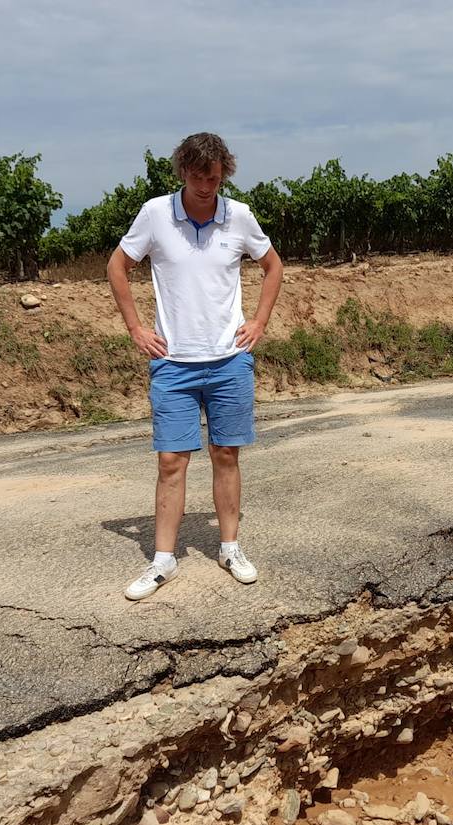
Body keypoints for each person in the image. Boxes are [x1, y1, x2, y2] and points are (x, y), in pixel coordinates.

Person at [107, 133, 284, 601]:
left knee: (226, 454)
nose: (207, 185)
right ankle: (163, 560)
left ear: (224, 173)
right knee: (171, 461)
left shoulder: (239, 216)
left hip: (229, 360)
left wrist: (259, 322)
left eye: (215, 176)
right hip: (174, 364)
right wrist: (136, 330)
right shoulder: (155, 214)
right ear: (182, 172)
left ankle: (230, 548)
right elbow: (117, 267)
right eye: (198, 175)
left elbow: (273, 266)